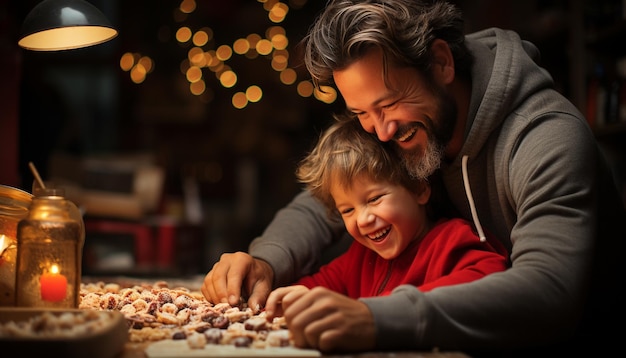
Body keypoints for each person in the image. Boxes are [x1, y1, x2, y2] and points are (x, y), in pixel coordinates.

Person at [202, 0, 626, 355]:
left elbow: (549, 291)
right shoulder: (404, 119)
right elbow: (325, 201)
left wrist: (376, 316)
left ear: (441, 62)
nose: (380, 132)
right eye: (361, 113)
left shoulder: (548, 137)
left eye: (386, 106)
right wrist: (265, 262)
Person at [266, 118, 507, 319]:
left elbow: (491, 280)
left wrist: (381, 310)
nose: (362, 219)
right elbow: (316, 289)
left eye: (374, 199)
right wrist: (290, 298)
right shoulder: (359, 259)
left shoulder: (451, 240)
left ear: (418, 189)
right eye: (347, 210)